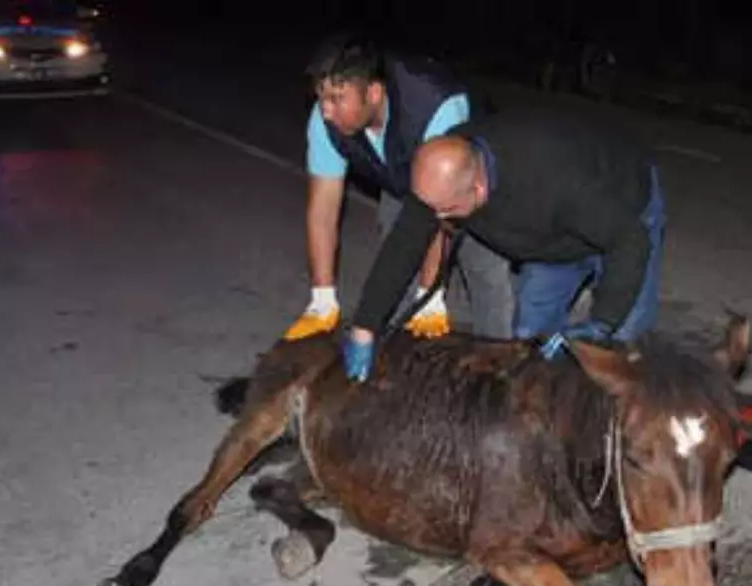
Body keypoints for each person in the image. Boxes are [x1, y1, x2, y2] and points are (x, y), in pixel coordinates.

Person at [341, 106, 665, 381]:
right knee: (530, 345)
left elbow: (629, 240)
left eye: (445, 211)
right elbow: (404, 243)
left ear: (478, 190)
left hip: (624, 210)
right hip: (552, 239)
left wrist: (603, 324)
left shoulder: (552, 180)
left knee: (619, 351)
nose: (435, 218)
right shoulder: (444, 172)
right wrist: (365, 326)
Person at [284, 33, 513, 341]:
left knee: (486, 273)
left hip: (471, 183)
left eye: (337, 98)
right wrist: (322, 299)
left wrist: (429, 295)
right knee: (394, 270)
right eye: (320, 97)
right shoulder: (325, 120)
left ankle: (496, 364)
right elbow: (322, 211)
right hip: (403, 174)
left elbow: (436, 210)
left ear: (374, 93)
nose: (326, 110)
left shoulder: (436, 106)